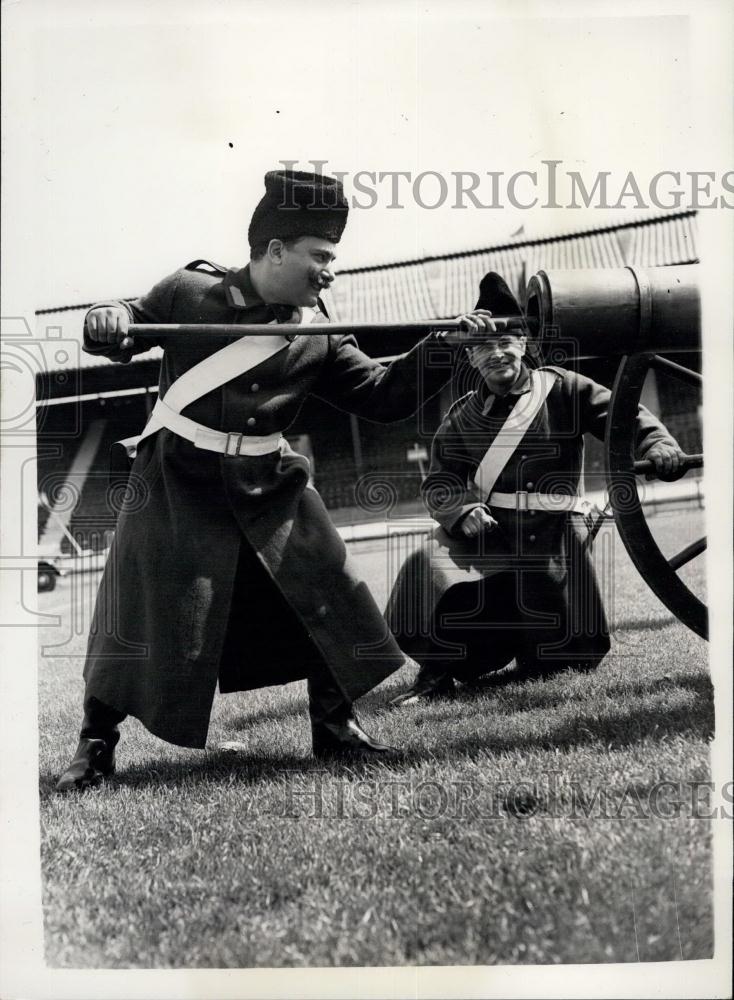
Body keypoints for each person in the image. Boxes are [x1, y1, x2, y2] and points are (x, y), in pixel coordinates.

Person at [56, 169, 497, 791]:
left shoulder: (316, 330)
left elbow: (382, 395)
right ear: (274, 250)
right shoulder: (189, 289)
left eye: (333, 258)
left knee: (328, 583)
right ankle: (95, 746)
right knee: (139, 610)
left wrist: (446, 345)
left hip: (270, 482)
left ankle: (336, 730)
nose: (330, 270)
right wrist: (106, 316)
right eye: (321, 256)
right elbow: (128, 321)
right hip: (176, 480)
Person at [386, 271, 685, 705]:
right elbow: (440, 481)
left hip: (554, 533)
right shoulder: (461, 416)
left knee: (563, 659)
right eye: (484, 347)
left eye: (507, 340)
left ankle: (532, 649)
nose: (497, 353)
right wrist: (462, 511)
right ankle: (435, 674)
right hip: (492, 531)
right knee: (429, 567)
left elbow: (625, 416)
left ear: (524, 343)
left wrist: (657, 443)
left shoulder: (565, 388)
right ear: (470, 358)